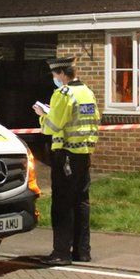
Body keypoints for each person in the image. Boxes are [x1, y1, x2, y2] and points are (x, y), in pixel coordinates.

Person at [32, 57, 100, 266]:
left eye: (54, 75)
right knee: (81, 202)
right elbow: (91, 120)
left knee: (62, 204)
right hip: (84, 154)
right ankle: (82, 251)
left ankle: (61, 253)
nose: (54, 79)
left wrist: (43, 114)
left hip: (65, 155)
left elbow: (53, 126)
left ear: (61, 74)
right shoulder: (87, 92)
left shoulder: (63, 94)